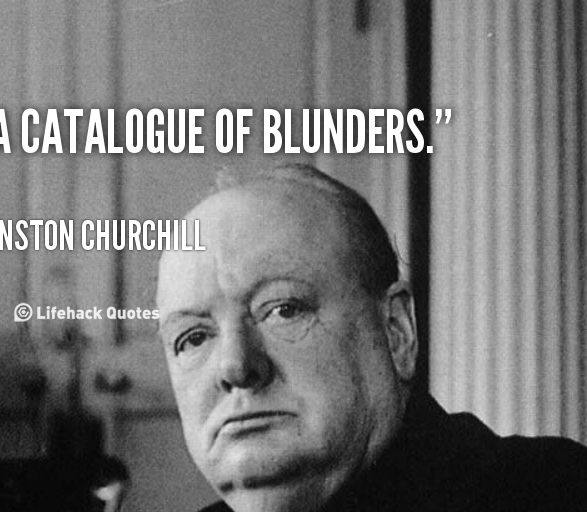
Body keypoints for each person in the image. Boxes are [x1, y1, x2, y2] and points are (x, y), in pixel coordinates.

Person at [155, 164, 587, 512]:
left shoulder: (555, 491)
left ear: (396, 331)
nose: (235, 366)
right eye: (193, 338)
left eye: (284, 309)